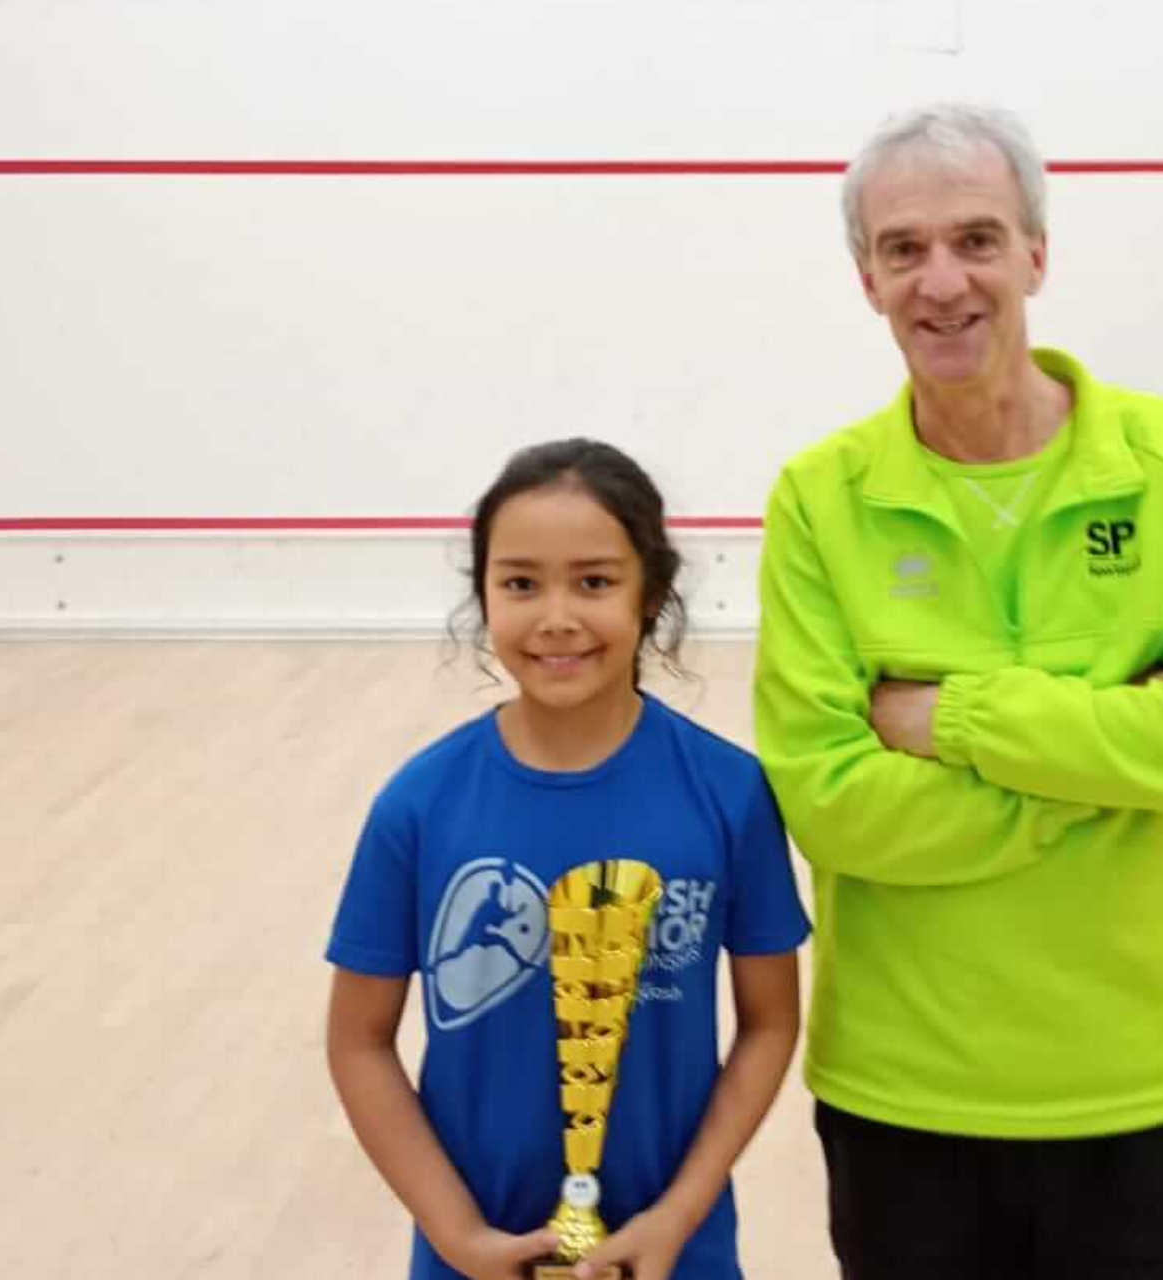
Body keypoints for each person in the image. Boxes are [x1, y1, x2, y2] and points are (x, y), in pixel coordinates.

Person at [753, 103, 1163, 1279]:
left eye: (977, 239)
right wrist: (1100, 771)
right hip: (907, 1096)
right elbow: (831, 801)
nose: (943, 280)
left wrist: (957, 721)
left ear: (1036, 254)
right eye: (905, 249)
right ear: (868, 279)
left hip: (1155, 1085)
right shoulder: (818, 498)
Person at [327, 438, 810, 1280]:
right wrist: (460, 1238)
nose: (556, 616)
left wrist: (676, 1216)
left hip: (675, 1255)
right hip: (473, 1258)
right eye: (520, 583)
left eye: (594, 581)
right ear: (482, 594)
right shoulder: (419, 804)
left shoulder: (730, 795)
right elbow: (359, 1043)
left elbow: (769, 1023)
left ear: (652, 592)